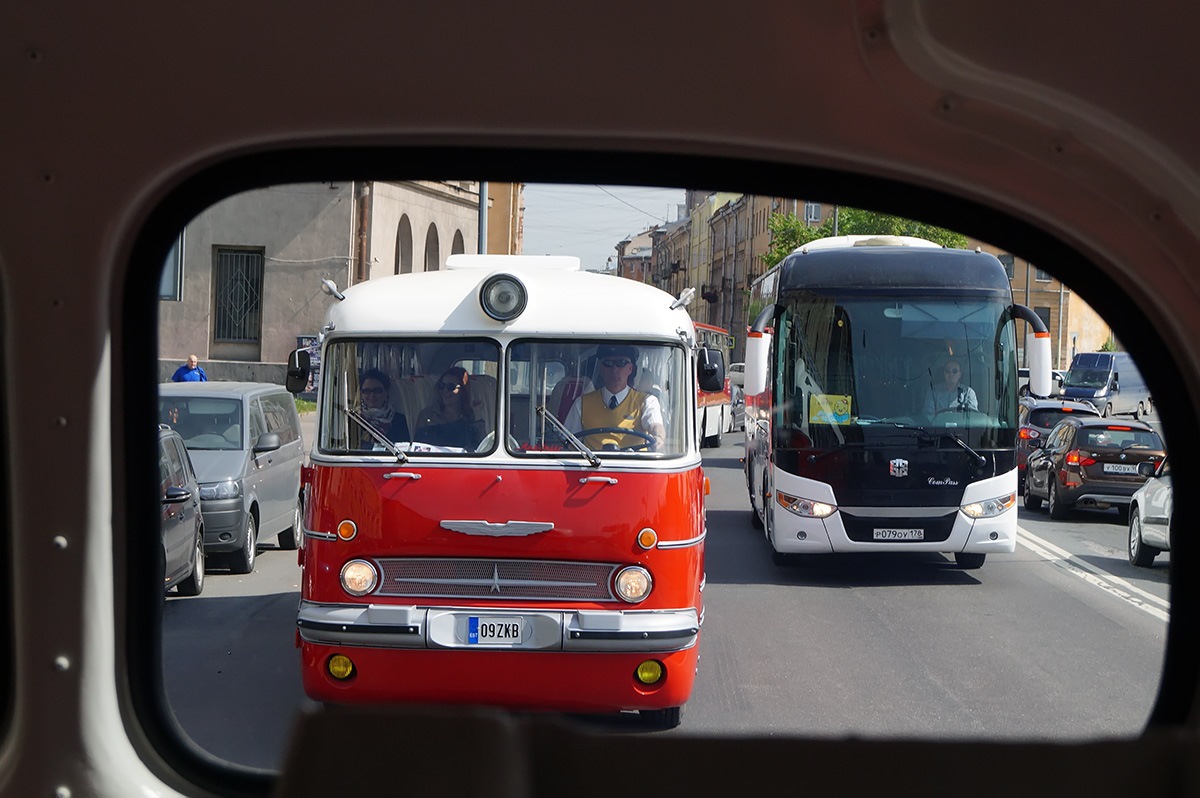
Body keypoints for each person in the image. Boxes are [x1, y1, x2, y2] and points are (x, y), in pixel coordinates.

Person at [566, 344, 665, 451]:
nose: (614, 369)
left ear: (630, 369)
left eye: (621, 363)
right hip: (593, 464)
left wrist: (658, 437)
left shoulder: (647, 401)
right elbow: (569, 440)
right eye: (608, 363)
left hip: (634, 465)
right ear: (601, 368)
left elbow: (654, 424)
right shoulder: (582, 403)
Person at [414, 366, 484, 450]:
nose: (444, 391)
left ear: (463, 391)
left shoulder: (471, 416)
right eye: (441, 386)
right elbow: (418, 446)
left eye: (451, 387)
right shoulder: (427, 415)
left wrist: (478, 415)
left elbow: (482, 446)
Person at [358, 368, 410, 443]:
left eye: (377, 390)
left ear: (386, 392)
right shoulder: (355, 419)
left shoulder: (399, 420)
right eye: (367, 391)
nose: (372, 395)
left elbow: (404, 448)